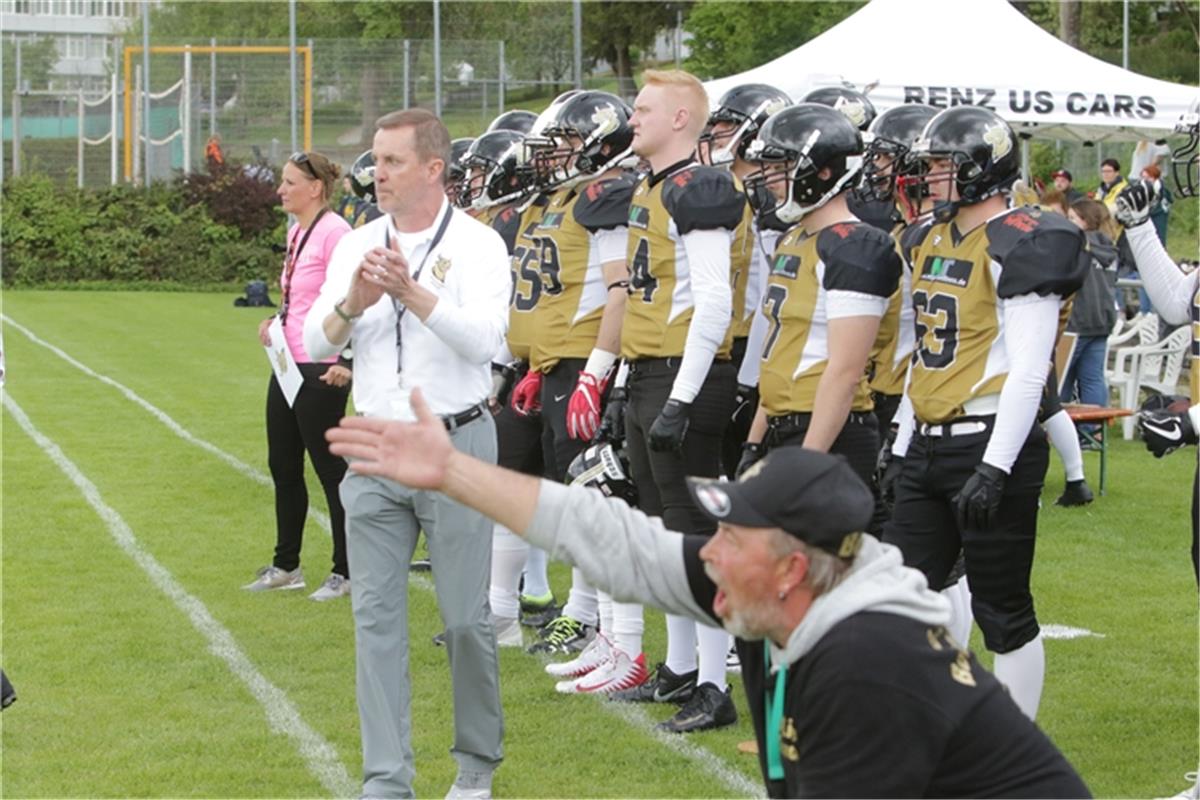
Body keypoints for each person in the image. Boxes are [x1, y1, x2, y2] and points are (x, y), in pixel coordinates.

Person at [325, 400, 1093, 799]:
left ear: (791, 567)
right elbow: (616, 542)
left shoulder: (869, 665)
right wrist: (452, 470)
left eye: (730, 536)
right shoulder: (778, 595)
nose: (706, 552)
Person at [302, 108, 510, 799]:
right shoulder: (356, 241)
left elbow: (486, 344)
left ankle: (476, 770)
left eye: (391, 161)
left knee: (463, 620)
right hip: (374, 447)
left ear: (433, 169)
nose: (376, 173)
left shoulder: (480, 245)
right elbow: (315, 341)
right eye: (375, 159)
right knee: (376, 621)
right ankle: (386, 779)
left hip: (455, 445)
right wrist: (354, 302)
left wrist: (412, 294)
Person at [882, 106, 1088, 722]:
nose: (929, 178)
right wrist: (899, 443)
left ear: (979, 169)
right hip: (929, 438)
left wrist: (996, 467)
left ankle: (1016, 752)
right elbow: (923, 353)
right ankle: (932, 721)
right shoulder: (927, 237)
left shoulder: (1024, 237)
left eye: (942, 165)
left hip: (993, 437)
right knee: (901, 596)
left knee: (1003, 608)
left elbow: (1031, 369)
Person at [609, 68, 746, 732]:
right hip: (648, 368)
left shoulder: (701, 186)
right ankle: (683, 666)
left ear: (682, 120)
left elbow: (713, 301)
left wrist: (682, 397)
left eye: (644, 108)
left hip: (685, 374)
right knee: (663, 532)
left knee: (697, 537)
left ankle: (716, 686)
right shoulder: (652, 185)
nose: (632, 118)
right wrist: (618, 383)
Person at [737, 103, 901, 541]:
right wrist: (756, 440)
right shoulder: (795, 238)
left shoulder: (855, 246)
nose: (768, 178)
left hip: (830, 431)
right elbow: (780, 350)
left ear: (822, 171)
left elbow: (845, 372)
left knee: (823, 582)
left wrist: (807, 463)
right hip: (786, 424)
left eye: (781, 166)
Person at [246, 150, 354, 601]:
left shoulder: (337, 233)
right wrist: (276, 319)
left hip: (321, 366)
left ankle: (346, 570)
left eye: (290, 182)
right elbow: (301, 297)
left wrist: (347, 359)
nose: (281, 190)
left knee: (330, 469)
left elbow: (353, 299)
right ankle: (286, 565)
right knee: (283, 464)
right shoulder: (297, 232)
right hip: (289, 362)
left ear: (316, 188)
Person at [1141, 163, 1173, 245]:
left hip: (1158, 217)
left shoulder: (1161, 192)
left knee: (1159, 240)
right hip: (1146, 218)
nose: (1145, 181)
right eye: (1144, 177)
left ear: (1155, 178)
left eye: (1148, 178)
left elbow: (1166, 205)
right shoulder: (1142, 190)